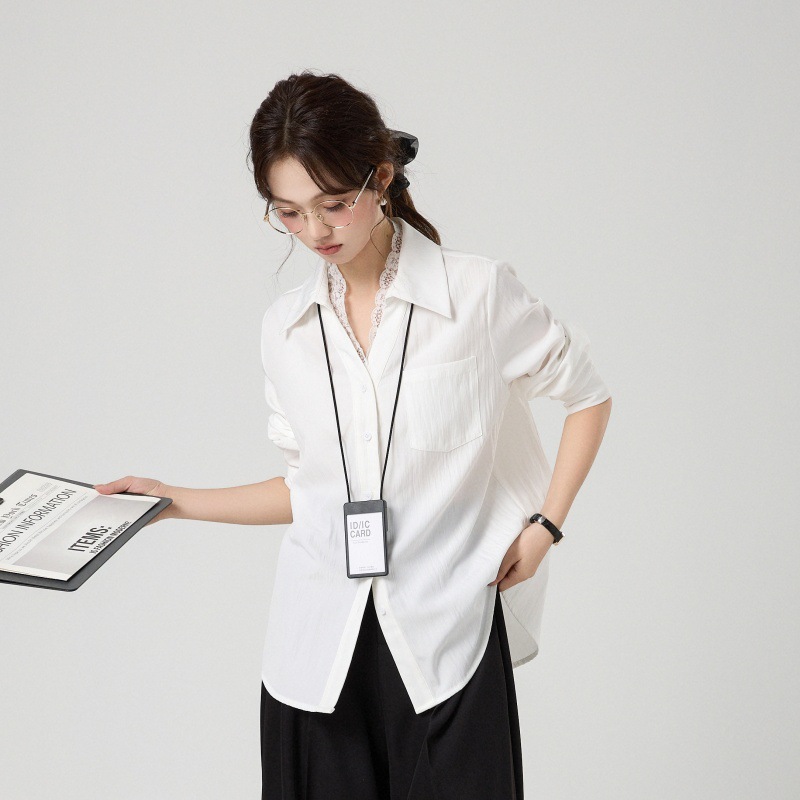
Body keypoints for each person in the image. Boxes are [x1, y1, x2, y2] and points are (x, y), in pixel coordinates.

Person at [95, 70, 613, 800]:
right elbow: (307, 490)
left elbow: (587, 395)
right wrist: (170, 501)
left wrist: (546, 526)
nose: (316, 232)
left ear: (383, 177)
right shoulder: (285, 329)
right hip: (316, 655)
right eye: (289, 213)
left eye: (335, 204)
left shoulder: (477, 294)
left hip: (447, 640)